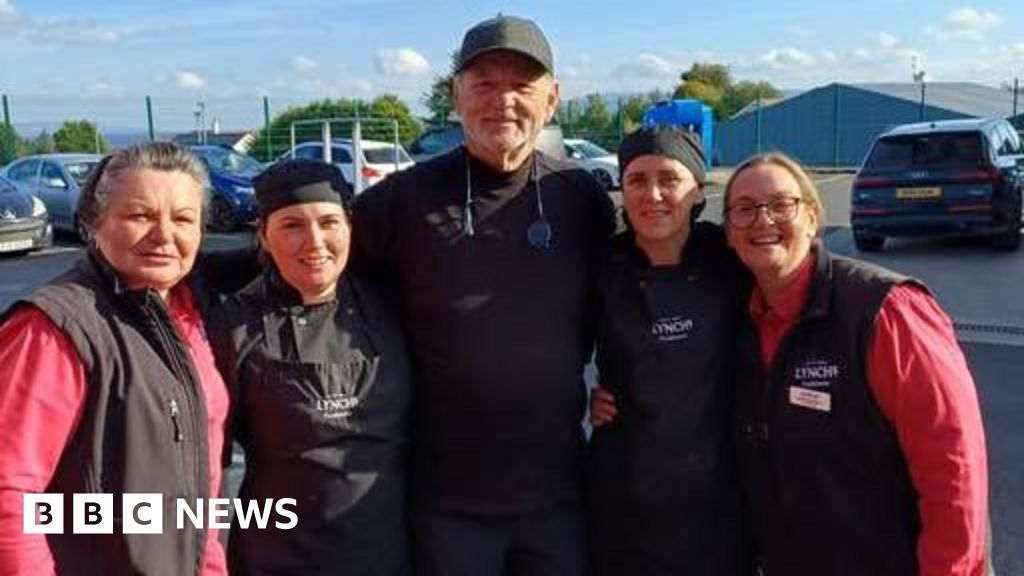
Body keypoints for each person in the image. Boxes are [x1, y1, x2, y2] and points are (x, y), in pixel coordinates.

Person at [352, 14, 615, 576]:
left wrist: (634, 383)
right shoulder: (400, 201)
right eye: (485, 84)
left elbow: (641, 291)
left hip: (559, 498)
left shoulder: (582, 197)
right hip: (445, 503)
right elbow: (310, 271)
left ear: (552, 99)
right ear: (456, 96)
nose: (504, 101)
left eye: (522, 85)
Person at [723, 152, 989, 576]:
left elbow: (954, 467)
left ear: (812, 219)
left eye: (781, 205)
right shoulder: (742, 324)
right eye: (744, 208)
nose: (763, 219)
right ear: (729, 234)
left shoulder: (885, 310)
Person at [0, 142, 250, 575]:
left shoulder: (189, 315)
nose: (164, 234)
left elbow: (202, 484)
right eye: (140, 216)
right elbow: (9, 492)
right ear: (94, 225)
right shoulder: (54, 329)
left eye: (184, 219)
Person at [208, 159, 414, 575]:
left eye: (328, 222)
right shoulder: (231, 327)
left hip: (388, 554)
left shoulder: (396, 304)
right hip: (277, 557)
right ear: (263, 237)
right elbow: (207, 469)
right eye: (292, 226)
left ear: (349, 227)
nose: (314, 241)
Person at [586, 127, 754, 576]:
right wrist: (577, 399)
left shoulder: (734, 259)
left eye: (669, 179)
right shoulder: (600, 268)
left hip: (721, 487)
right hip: (628, 486)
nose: (652, 194)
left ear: (697, 189)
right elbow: (552, 349)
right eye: (637, 180)